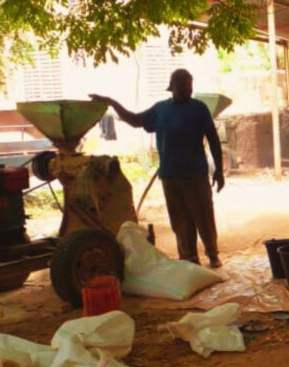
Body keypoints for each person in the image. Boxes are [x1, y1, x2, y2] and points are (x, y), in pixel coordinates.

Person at [91, 68, 225, 268]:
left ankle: (212, 254)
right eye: (183, 84)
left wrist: (219, 172)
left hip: (195, 174)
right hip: (170, 176)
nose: (187, 88)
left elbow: (213, 140)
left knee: (203, 215)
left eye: (189, 84)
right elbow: (134, 119)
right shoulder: (161, 109)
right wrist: (111, 102)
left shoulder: (199, 108)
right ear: (172, 87)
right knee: (180, 220)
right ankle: (189, 259)